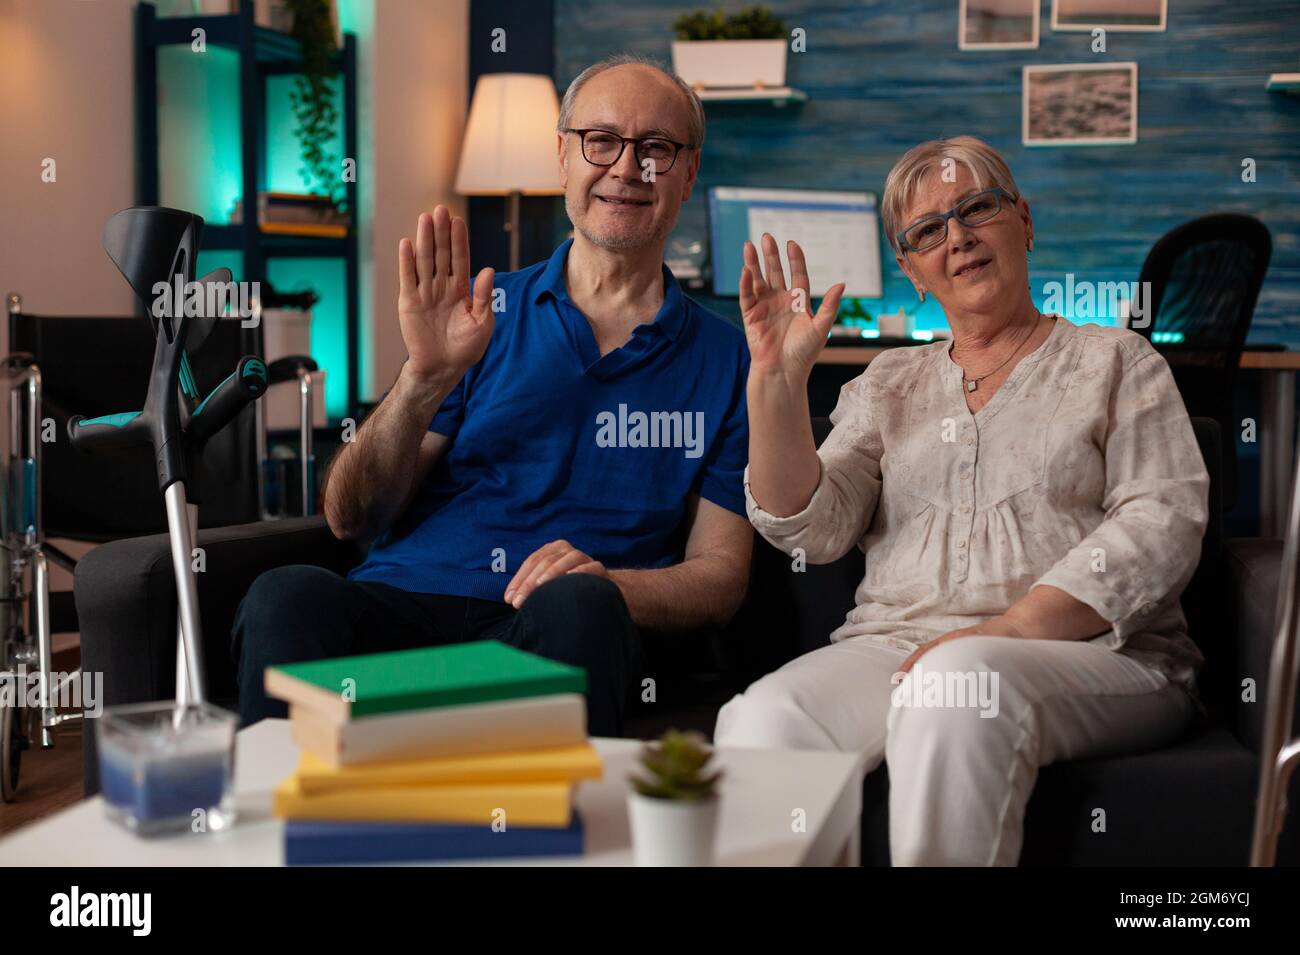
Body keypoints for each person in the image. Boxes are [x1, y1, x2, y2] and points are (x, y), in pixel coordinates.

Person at [715, 135, 1208, 866]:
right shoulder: (887, 382)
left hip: (1097, 652)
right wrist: (777, 387)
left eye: (978, 207)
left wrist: (1009, 630)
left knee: (954, 686)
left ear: (1025, 220)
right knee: (762, 720)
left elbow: (1160, 521)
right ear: (911, 270)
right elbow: (813, 529)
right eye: (928, 231)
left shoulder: (1116, 360)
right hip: (897, 645)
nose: (960, 238)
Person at [231, 55, 753, 735]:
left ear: (687, 173)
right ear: (562, 158)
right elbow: (347, 518)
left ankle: (515, 827)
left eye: (656, 148)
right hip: (404, 617)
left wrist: (606, 582)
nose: (627, 168)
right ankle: (294, 831)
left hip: (552, 634)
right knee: (285, 597)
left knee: (580, 610)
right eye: (601, 141)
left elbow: (721, 580)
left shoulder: (729, 357)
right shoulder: (481, 312)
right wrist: (424, 378)